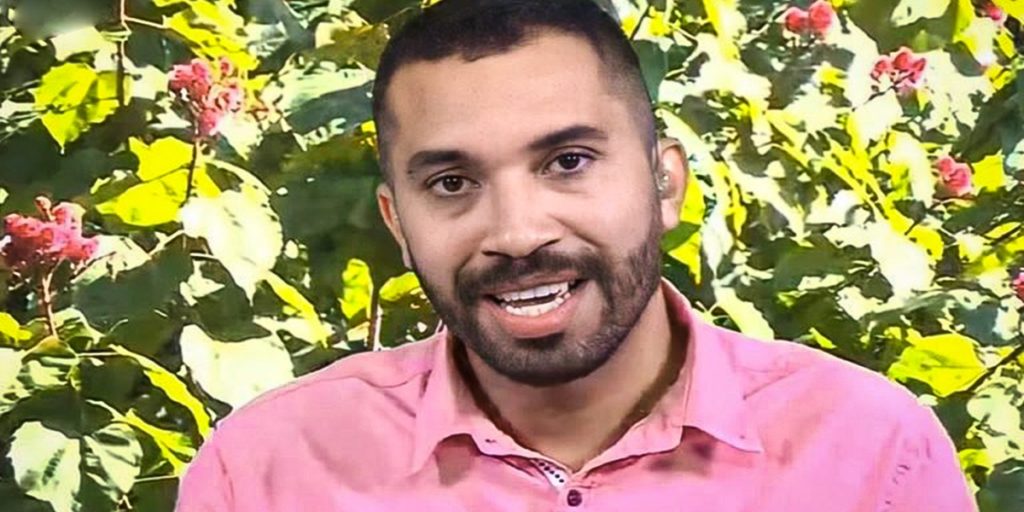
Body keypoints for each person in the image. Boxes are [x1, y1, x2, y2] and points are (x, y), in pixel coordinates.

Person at [175, 1, 976, 510]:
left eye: (568, 162)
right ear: (398, 222)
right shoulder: (269, 469)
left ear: (665, 183)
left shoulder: (868, 453)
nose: (519, 232)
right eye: (452, 182)